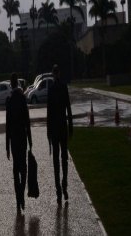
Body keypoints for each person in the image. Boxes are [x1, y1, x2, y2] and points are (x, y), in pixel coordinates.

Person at [46, 64, 73, 205]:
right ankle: (64, 185)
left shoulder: (51, 89)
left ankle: (58, 189)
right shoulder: (63, 87)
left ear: (52, 74)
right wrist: (71, 125)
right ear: (59, 73)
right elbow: (68, 107)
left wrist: (48, 131)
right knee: (64, 159)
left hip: (55, 128)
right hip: (62, 127)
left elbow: (49, 112)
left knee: (57, 160)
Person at [6, 72, 32, 213]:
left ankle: (18, 199)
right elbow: (27, 120)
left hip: (14, 139)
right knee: (24, 168)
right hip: (22, 137)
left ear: (11, 84)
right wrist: (30, 138)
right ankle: (22, 193)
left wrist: (6, 146)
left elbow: (8, 124)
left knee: (16, 169)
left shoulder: (9, 100)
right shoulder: (22, 98)